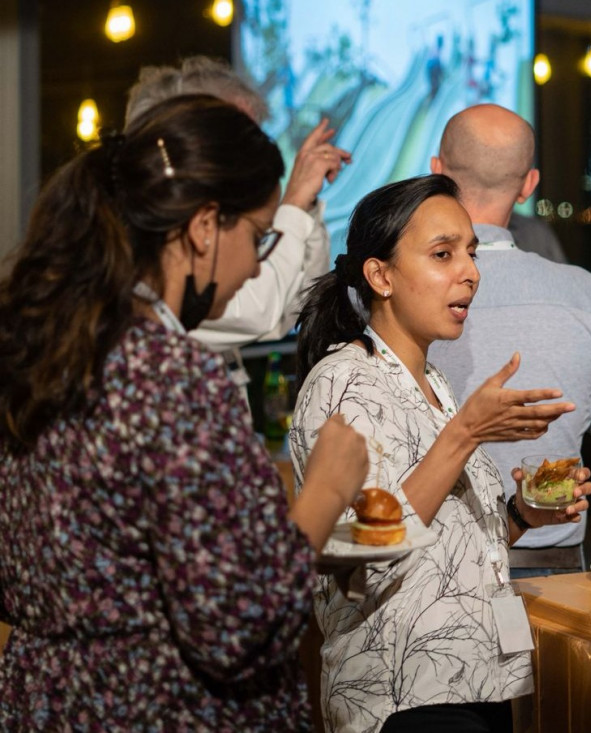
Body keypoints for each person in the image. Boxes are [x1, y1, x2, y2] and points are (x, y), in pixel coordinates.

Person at [0, 95, 368, 729]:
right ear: (204, 226)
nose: (256, 263)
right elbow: (238, 628)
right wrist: (325, 494)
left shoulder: (44, 354)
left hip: (48, 699)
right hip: (161, 707)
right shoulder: (174, 378)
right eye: (256, 235)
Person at [290, 174, 591, 732]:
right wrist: (465, 435)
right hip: (402, 696)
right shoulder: (344, 383)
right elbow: (364, 557)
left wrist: (524, 514)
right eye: (443, 254)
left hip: (473, 681)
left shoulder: (431, 381)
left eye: (471, 253)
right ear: (380, 275)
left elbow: (445, 548)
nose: (470, 272)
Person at [427, 104, 591, 578]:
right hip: (550, 567)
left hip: (427, 558)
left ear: (437, 173)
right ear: (529, 185)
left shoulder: (395, 290)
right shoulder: (580, 293)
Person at [126, 56, 348, 354]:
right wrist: (293, 204)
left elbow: (295, 306)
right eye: (239, 142)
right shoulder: (154, 260)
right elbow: (257, 310)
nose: (255, 269)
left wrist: (304, 204)